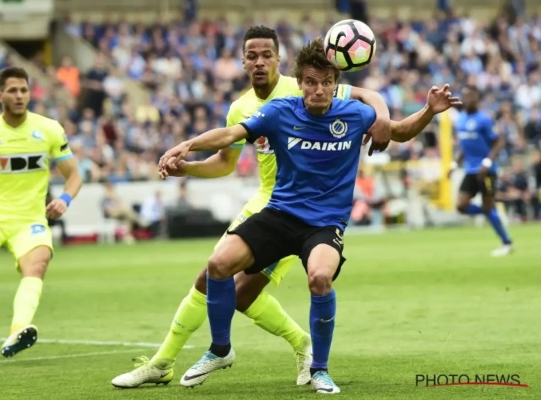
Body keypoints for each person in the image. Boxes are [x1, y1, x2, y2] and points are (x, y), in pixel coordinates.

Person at [111, 25, 458, 389]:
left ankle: (317, 366)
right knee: (216, 268)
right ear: (299, 83)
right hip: (277, 212)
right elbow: (229, 138)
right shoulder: (275, 110)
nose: (318, 89)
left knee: (314, 279)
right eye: (311, 82)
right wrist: (188, 146)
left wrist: (426, 111)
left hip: (323, 222)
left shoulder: (351, 111)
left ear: (332, 83)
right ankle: (217, 349)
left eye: (325, 83)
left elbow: (398, 128)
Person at [0, 66, 82, 361]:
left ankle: (17, 330)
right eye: (12, 90)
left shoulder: (49, 129)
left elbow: (74, 174)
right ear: (0, 96)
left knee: (37, 265)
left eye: (24, 90)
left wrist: (64, 199)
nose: (19, 95)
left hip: (30, 219)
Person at [448, 85, 513, 257]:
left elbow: (499, 142)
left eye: (472, 97)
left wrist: (487, 162)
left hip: (487, 171)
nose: (468, 100)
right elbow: (464, 145)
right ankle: (492, 212)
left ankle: (506, 242)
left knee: (487, 206)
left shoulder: (484, 119)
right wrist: (454, 164)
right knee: (461, 206)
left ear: (477, 99)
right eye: (466, 96)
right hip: (470, 170)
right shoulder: (460, 119)